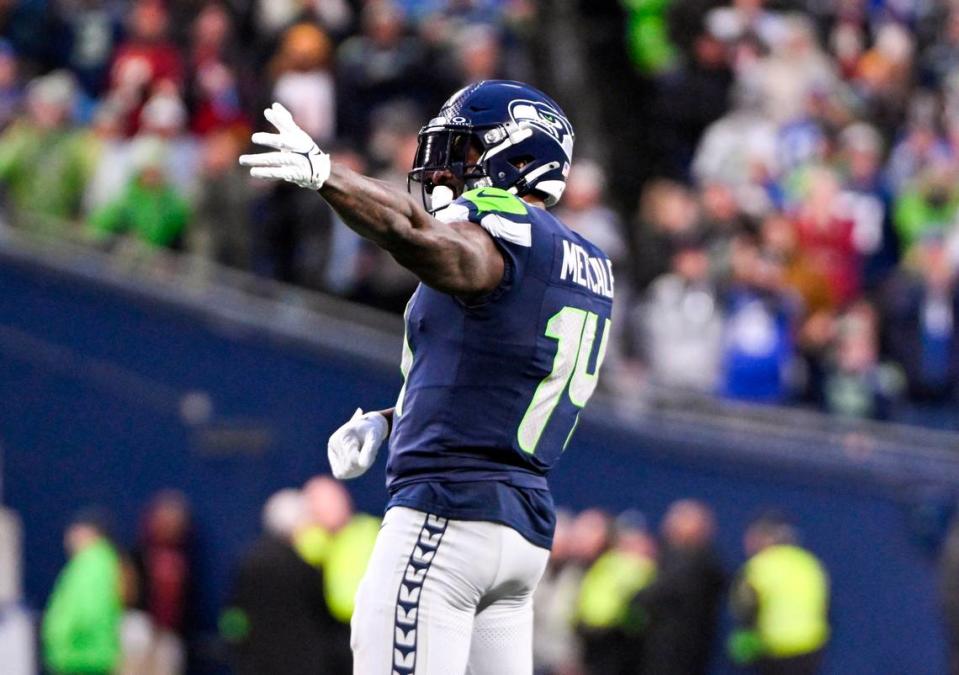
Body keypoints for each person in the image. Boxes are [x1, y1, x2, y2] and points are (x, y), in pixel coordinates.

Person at [239, 79, 614, 674]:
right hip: (519, 535)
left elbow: (416, 234)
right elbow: (507, 376)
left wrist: (327, 176)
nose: (444, 170)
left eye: (464, 151)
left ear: (518, 157)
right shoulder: (587, 263)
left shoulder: (500, 230)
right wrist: (394, 420)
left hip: (447, 516)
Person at [221, 489, 338, 675]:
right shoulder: (307, 565)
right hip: (303, 663)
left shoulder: (248, 562)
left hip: (257, 663)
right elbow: (324, 614)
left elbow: (234, 616)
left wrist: (237, 647)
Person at [728, 513, 830, 675]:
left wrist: (746, 635)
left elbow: (745, 607)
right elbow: (825, 606)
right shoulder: (809, 563)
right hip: (811, 648)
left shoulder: (760, 566)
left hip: (773, 649)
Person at [632, 500, 726, 675]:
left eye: (679, 519)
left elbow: (654, 596)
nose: (669, 523)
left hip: (675, 655)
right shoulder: (666, 558)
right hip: (661, 652)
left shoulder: (697, 563)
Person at [42, 509, 123, 675]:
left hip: (83, 658)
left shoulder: (93, 564)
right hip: (85, 657)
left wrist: (61, 638)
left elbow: (89, 611)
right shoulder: (96, 561)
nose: (69, 537)